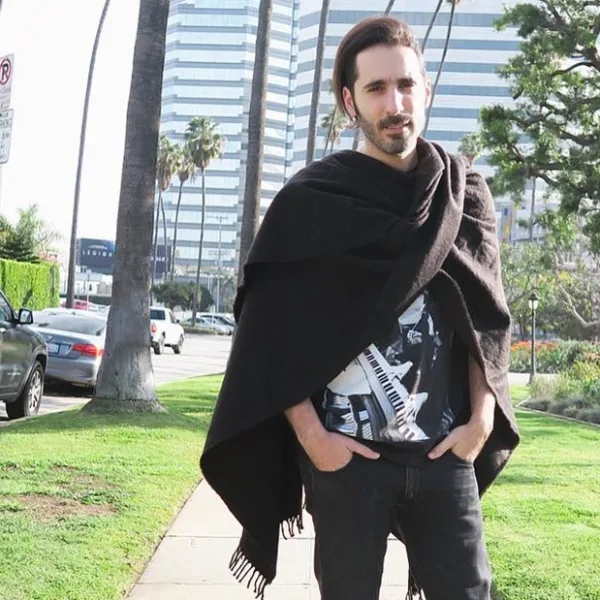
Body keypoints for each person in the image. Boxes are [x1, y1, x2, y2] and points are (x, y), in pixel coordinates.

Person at [200, 16, 520, 600]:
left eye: (405, 85)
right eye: (376, 89)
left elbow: (485, 321)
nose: (395, 104)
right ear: (350, 102)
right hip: (347, 464)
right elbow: (270, 334)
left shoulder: (463, 195)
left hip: (444, 457)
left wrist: (480, 421)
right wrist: (312, 436)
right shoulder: (310, 204)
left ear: (427, 90)